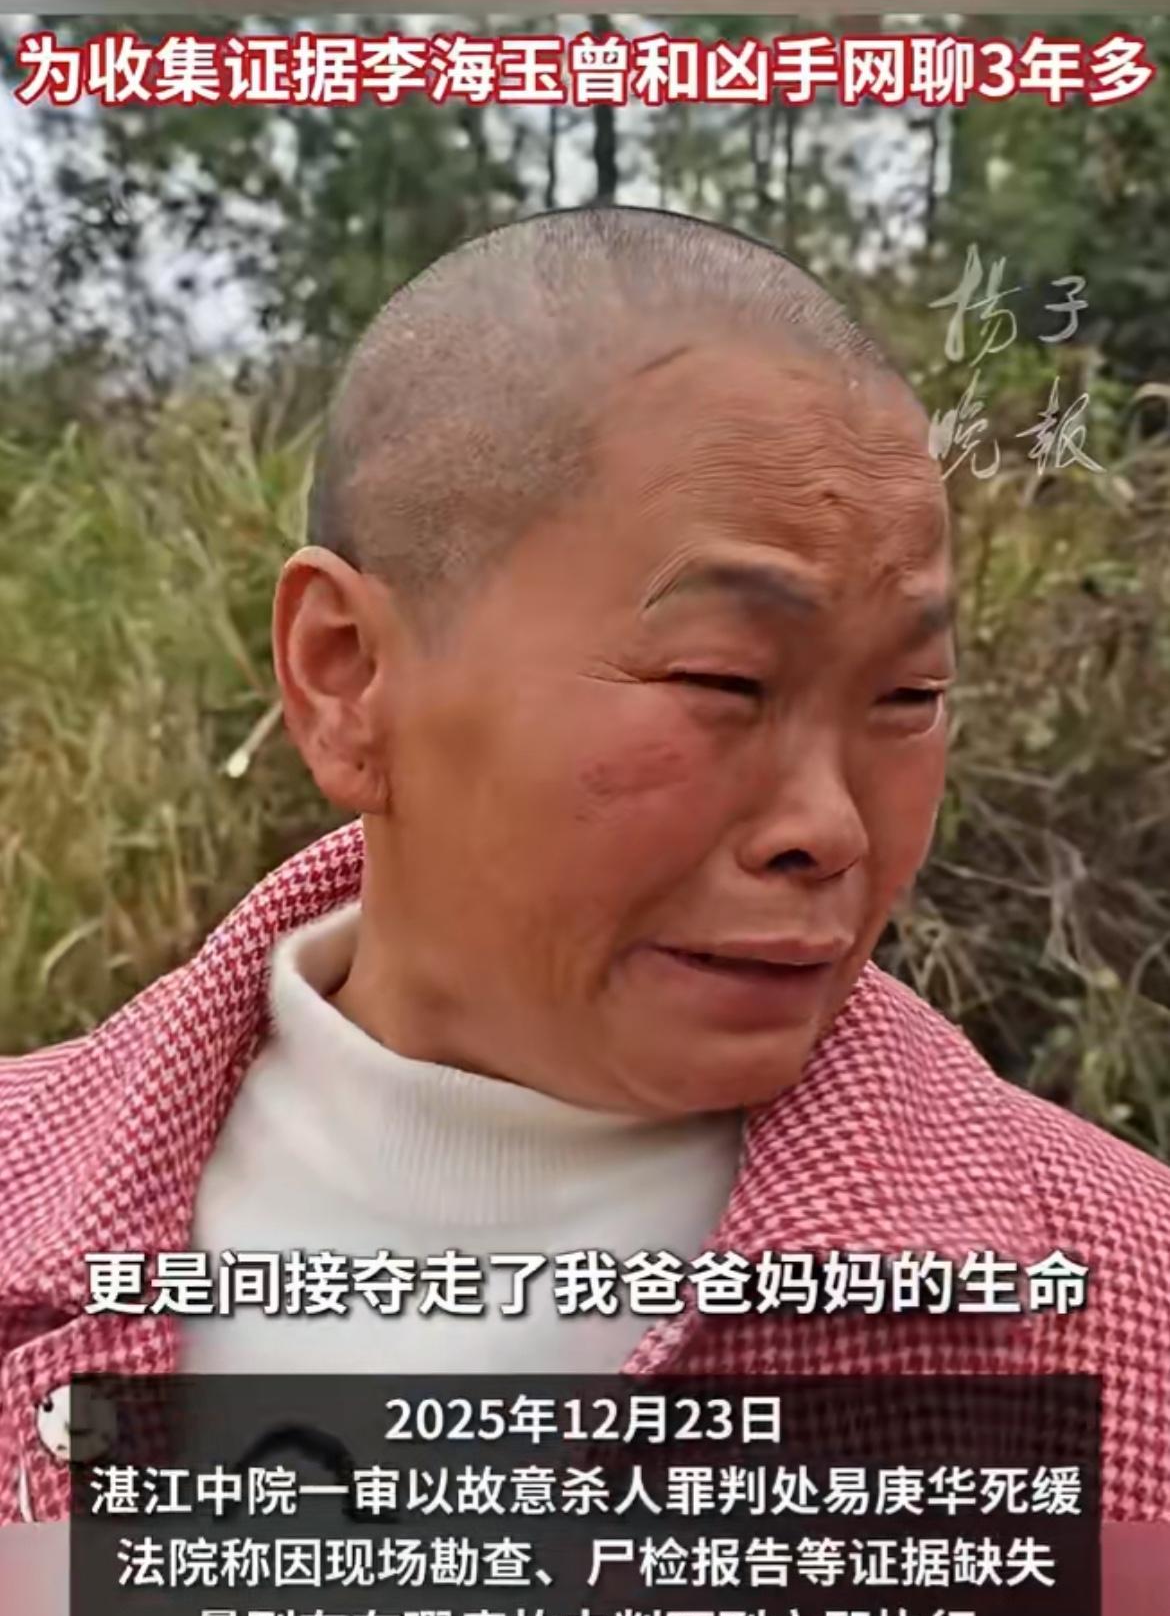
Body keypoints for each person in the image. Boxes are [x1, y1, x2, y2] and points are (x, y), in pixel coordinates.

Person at [1, 206, 1167, 1529]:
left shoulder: (1122, 1316)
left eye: (908, 698)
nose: (830, 826)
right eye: (721, 680)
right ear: (347, 674)